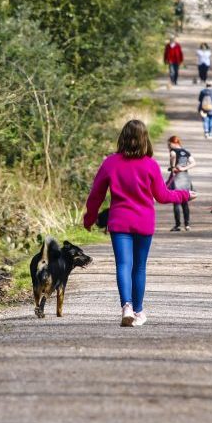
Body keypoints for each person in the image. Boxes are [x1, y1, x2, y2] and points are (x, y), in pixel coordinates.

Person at [84, 120, 194, 327]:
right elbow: (162, 196)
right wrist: (185, 195)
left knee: (123, 265)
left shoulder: (110, 162)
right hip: (143, 222)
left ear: (122, 138)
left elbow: (95, 195)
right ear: (145, 139)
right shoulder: (150, 164)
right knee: (139, 267)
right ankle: (139, 311)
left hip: (119, 222)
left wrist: (89, 219)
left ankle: (126, 306)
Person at [166, 135, 196, 231]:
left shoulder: (173, 151)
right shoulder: (186, 152)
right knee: (185, 201)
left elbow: (173, 156)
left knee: (176, 202)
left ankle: (177, 225)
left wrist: (172, 166)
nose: (169, 146)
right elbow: (193, 162)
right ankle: (187, 225)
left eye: (169, 144)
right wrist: (184, 168)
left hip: (176, 178)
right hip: (185, 178)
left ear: (173, 143)